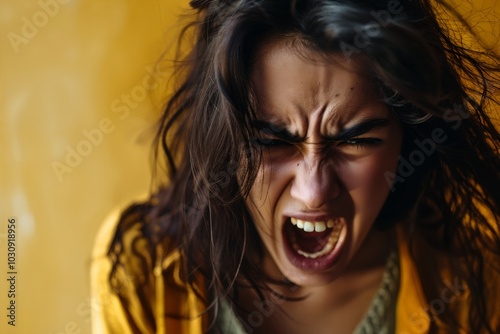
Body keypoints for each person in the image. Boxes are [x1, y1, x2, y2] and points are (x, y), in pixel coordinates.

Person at [91, 0, 500, 333]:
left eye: (355, 140)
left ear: (408, 139)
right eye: (272, 140)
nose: (314, 190)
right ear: (224, 142)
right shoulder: (142, 276)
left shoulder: (474, 285)